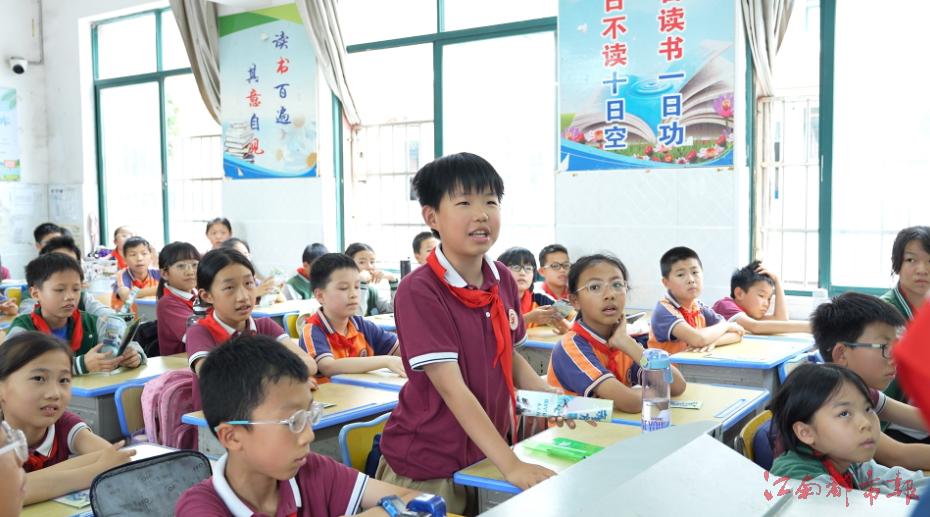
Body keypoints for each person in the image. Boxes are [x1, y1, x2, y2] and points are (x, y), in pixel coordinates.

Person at [376, 152, 578, 514]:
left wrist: (548, 397)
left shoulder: (501, 278)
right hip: (429, 466)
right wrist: (511, 465)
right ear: (432, 217)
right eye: (464, 203)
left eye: (490, 202)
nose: (481, 214)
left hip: (487, 455)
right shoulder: (419, 290)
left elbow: (507, 355)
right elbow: (452, 390)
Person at [175, 335, 422, 516]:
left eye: (309, 415)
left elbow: (416, 500)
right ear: (232, 437)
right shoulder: (201, 508)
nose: (308, 436)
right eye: (293, 422)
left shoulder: (313, 471)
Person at [0, 332, 136, 504]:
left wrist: (33, 482)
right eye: (38, 378)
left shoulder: (63, 424)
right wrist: (93, 471)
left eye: (64, 380)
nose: (54, 393)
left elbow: (115, 459)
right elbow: (10, 491)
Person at [547, 254, 686, 411]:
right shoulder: (570, 347)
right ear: (575, 301)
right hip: (576, 427)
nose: (610, 295)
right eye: (595, 287)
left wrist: (629, 344)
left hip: (617, 425)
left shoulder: (621, 342)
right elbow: (630, 402)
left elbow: (677, 386)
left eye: (617, 285)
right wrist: (658, 391)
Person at [184, 248, 317, 409]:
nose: (244, 296)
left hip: (267, 411)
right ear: (207, 296)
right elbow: (215, 379)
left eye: (248, 284)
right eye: (229, 288)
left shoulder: (264, 326)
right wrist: (287, 379)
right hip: (222, 418)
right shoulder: (200, 332)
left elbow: (309, 363)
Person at [813, 292, 930, 469]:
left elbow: (920, 417)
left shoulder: (861, 390)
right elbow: (898, 456)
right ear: (841, 354)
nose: (896, 358)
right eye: (884, 347)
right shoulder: (828, 399)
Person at [769, 363, 926, 495]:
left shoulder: (846, 458)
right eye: (844, 413)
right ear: (806, 432)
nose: (866, 423)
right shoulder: (799, 479)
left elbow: (901, 481)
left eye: (868, 409)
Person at [8, 254, 144, 375]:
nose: (70, 296)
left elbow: (124, 345)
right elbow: (14, 366)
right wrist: (80, 365)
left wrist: (134, 357)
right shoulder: (24, 328)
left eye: (76, 289)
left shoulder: (92, 323)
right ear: (35, 294)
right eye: (59, 290)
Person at [299, 253, 404, 379]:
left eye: (357, 286)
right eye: (344, 288)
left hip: (363, 391)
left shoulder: (363, 326)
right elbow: (328, 367)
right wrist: (386, 361)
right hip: (329, 391)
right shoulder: (313, 330)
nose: (353, 294)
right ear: (320, 296)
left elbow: (403, 350)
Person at [647, 246, 744, 354]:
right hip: (667, 365)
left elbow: (737, 334)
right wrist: (726, 326)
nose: (691, 280)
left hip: (694, 362)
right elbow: (698, 339)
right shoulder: (663, 311)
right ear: (666, 282)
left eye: (694, 272)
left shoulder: (699, 306)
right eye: (680, 275)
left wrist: (714, 342)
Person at [712, 261, 810, 334]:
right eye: (761, 296)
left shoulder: (750, 315)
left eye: (769, 299)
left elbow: (781, 319)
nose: (766, 304)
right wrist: (810, 327)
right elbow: (755, 327)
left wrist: (777, 281)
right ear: (739, 293)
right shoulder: (725, 306)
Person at [497, 247, 567, 332]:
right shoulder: (493, 301)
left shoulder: (538, 299)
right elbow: (489, 330)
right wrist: (527, 318)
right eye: (515, 267)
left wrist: (565, 326)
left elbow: (571, 313)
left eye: (528, 268)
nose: (522, 273)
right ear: (501, 271)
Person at [156, 242, 201, 356]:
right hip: (180, 364)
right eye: (181, 266)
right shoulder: (167, 303)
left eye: (195, 265)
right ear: (164, 273)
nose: (190, 271)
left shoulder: (201, 295)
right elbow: (199, 335)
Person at [345, 242, 397, 316]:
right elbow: (357, 316)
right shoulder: (342, 292)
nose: (369, 267)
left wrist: (392, 279)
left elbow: (393, 310)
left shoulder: (371, 291)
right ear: (348, 265)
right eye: (362, 262)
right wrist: (361, 282)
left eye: (372, 262)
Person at [111, 236, 160, 313]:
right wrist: (160, 289)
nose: (139, 258)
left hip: (150, 314)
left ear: (150, 256)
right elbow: (126, 296)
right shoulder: (122, 275)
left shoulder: (157, 274)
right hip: (126, 318)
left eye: (144, 253)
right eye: (133, 254)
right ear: (124, 259)